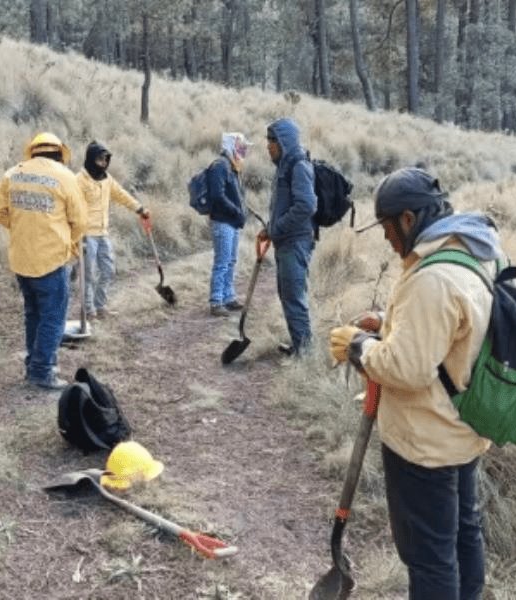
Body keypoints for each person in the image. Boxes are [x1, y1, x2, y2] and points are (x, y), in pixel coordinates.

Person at [329, 167, 500, 599]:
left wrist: (358, 346)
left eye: (387, 227)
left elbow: (407, 369)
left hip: (425, 443)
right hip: (462, 431)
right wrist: (390, 324)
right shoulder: (471, 250)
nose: (387, 239)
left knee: (429, 558)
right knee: (463, 535)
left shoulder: (433, 278)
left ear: (408, 219)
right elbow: (452, 334)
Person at [0, 132, 86, 390]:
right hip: (51, 260)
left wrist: (21, 227)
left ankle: (33, 364)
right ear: (59, 153)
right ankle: (42, 372)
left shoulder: (13, 174)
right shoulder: (65, 176)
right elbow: (80, 221)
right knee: (53, 317)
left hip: (21, 258)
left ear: (32, 151)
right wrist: (70, 242)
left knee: (33, 313)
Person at [257, 118, 317, 355]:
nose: (268, 145)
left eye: (273, 140)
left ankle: (305, 354)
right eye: (268, 140)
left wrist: (276, 228)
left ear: (285, 141)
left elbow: (306, 206)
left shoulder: (298, 166)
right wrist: (269, 229)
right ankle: (299, 345)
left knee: (293, 296)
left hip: (296, 242)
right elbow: (284, 205)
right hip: (286, 241)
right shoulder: (284, 165)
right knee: (288, 294)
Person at [75, 141, 150, 319]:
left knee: (108, 270)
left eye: (105, 160)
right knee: (88, 274)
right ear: (91, 159)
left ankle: (100, 306)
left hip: (102, 233)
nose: (103, 163)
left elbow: (121, 195)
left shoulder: (107, 179)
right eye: (100, 160)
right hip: (86, 235)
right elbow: (71, 206)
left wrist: (139, 208)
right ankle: (88, 309)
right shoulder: (79, 180)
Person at [206, 132, 250, 316]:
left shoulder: (232, 167)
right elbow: (217, 196)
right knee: (223, 262)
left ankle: (228, 297)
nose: (243, 151)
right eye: (240, 147)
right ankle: (216, 301)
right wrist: (236, 210)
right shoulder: (220, 166)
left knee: (231, 261)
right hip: (222, 221)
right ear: (231, 146)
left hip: (231, 222)